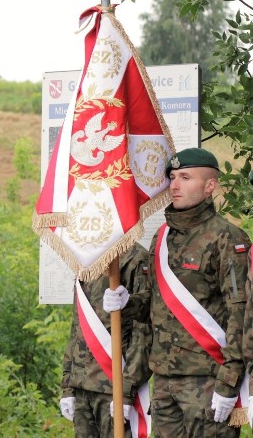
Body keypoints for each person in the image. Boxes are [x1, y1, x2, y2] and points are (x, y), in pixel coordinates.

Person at [104, 147, 251, 437]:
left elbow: (242, 315)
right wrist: (125, 303)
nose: (174, 185)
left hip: (208, 381)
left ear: (209, 186)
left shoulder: (227, 238)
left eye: (185, 177)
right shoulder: (162, 237)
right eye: (172, 177)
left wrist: (229, 381)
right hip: (165, 382)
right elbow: (151, 308)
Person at [60, 243, 151, 437]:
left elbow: (143, 333)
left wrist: (126, 391)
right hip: (82, 386)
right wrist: (68, 385)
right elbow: (78, 327)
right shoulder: (86, 259)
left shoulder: (135, 258)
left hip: (114, 387)